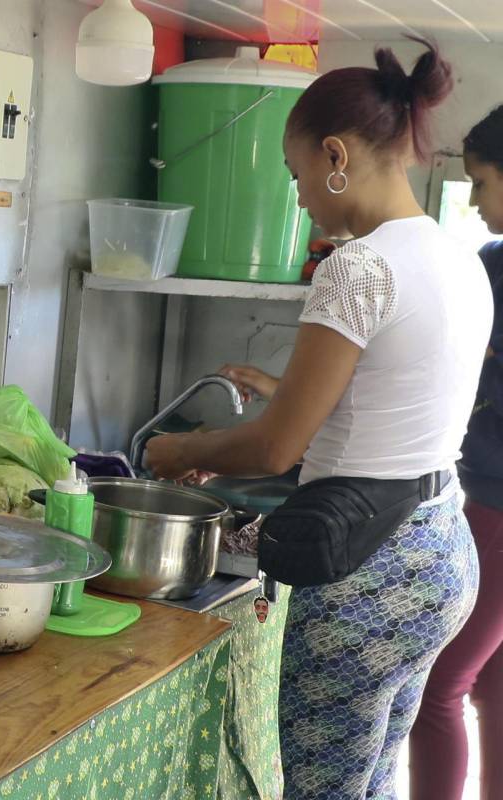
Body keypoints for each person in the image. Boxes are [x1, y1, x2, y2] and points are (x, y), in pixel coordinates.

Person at [145, 41, 492, 800]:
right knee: (369, 783)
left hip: (367, 576)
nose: (299, 196)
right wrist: (227, 452)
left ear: (335, 155)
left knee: (322, 792)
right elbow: (372, 416)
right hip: (439, 553)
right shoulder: (456, 254)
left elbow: (276, 446)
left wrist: (180, 451)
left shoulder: (358, 268)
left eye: (297, 173)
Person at [409, 105, 503, 800]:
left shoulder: (495, 270)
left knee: (436, 684)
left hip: (500, 512)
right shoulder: (490, 264)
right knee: (492, 687)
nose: (473, 200)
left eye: (480, 181)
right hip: (488, 497)